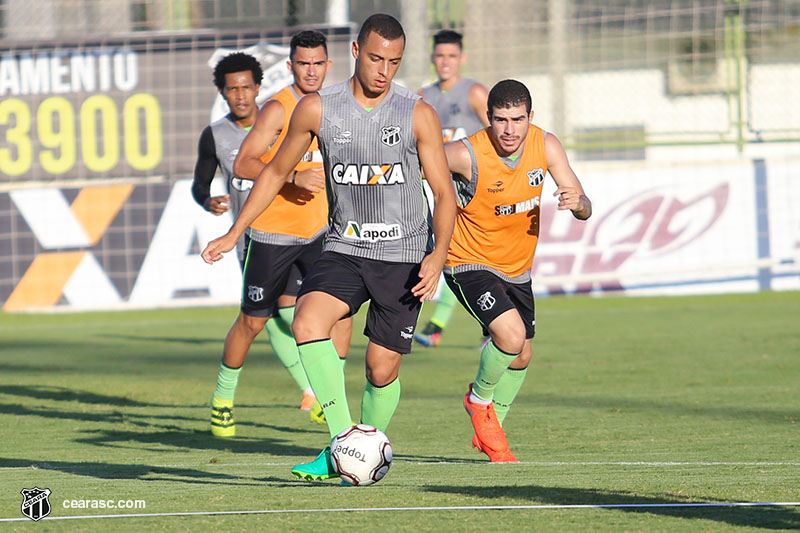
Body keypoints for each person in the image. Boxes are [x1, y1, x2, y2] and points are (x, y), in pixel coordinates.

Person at [202, 13, 456, 481]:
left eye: (394, 62)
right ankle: (343, 446)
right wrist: (233, 234)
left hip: (403, 256)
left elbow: (443, 193)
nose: (384, 70)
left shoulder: (416, 113)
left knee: (381, 371)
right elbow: (275, 172)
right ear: (357, 52)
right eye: (376, 58)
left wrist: (438, 255)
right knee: (306, 320)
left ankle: (358, 444)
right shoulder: (318, 109)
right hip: (343, 247)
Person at [442, 79, 591, 462]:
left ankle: (491, 430)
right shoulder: (465, 154)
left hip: (517, 269)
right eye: (500, 120)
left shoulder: (547, 144)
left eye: (518, 119)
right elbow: (418, 164)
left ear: (531, 117)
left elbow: (584, 205)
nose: (509, 130)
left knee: (521, 355)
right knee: (510, 335)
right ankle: (478, 403)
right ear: (487, 118)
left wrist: (578, 202)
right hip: (467, 261)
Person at [414, 29, 490, 348]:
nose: (446, 62)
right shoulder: (423, 97)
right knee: (452, 259)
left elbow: (498, 135)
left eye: (452, 56)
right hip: (442, 195)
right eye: (441, 55)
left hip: (476, 194)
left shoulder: (474, 92)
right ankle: (443, 326)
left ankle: (441, 326)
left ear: (462, 59)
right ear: (433, 58)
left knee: (466, 260)